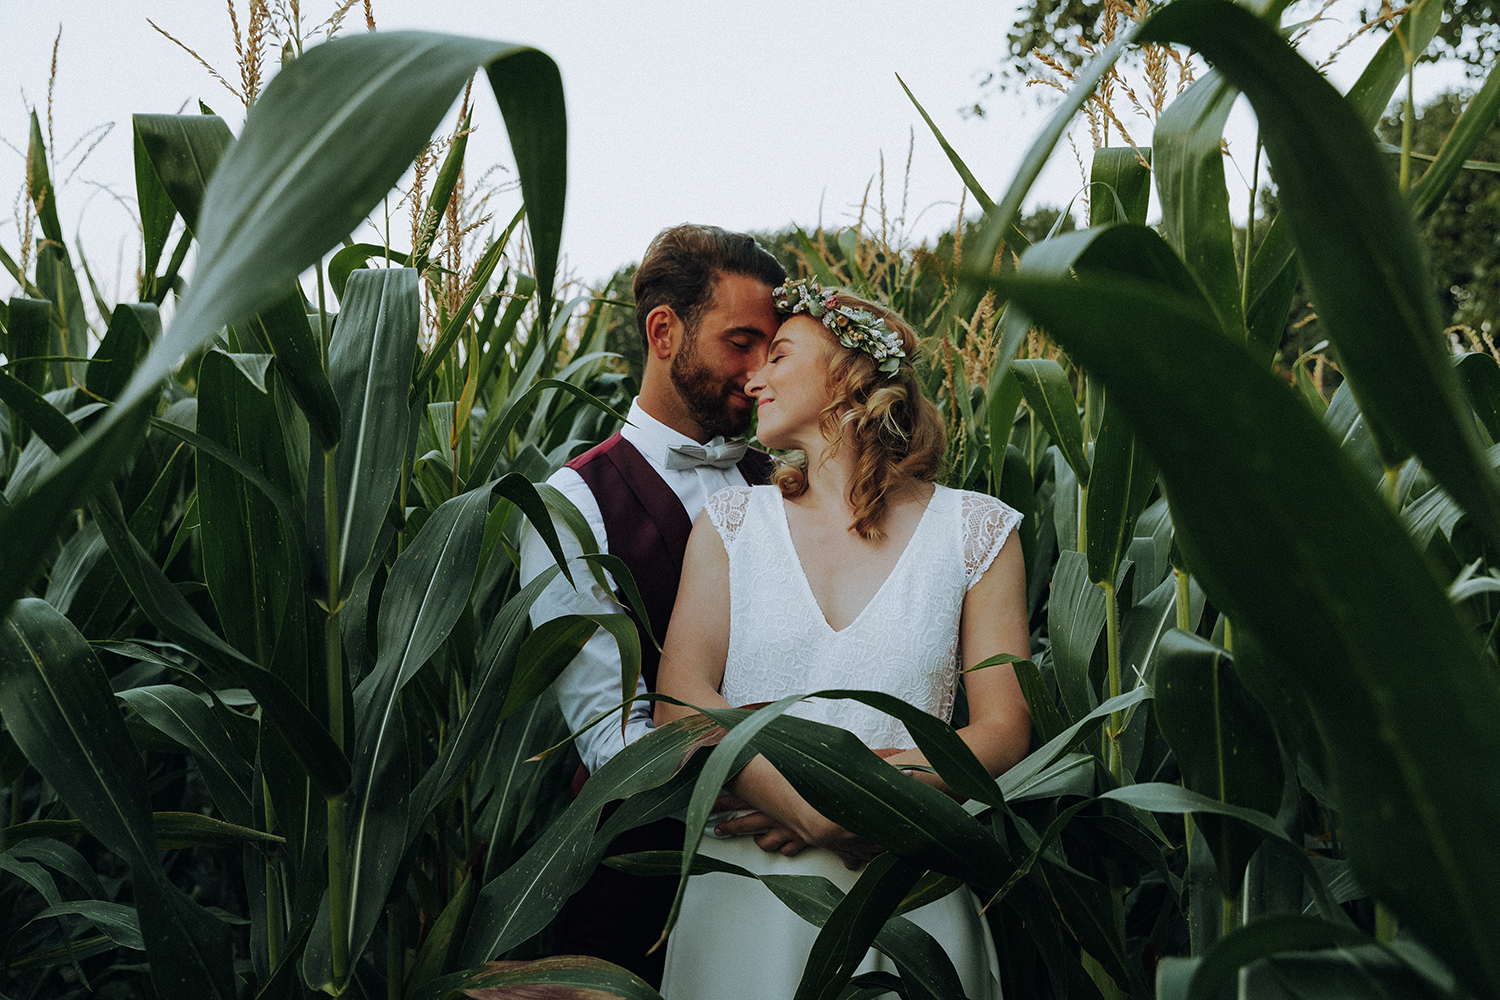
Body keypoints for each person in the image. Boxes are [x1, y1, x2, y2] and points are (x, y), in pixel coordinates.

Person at [653, 279, 1033, 999]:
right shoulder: (732, 525)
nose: (753, 376)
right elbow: (680, 704)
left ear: (851, 379)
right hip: (746, 896)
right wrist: (811, 809)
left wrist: (878, 804)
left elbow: (1004, 727)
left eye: (780, 354)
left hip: (905, 892)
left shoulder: (976, 532)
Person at [516, 223, 786, 987]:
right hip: (638, 881)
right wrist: (791, 799)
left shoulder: (789, 486)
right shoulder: (573, 505)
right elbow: (613, 742)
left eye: (774, 347)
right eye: (741, 342)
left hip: (789, 884)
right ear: (664, 332)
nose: (761, 371)